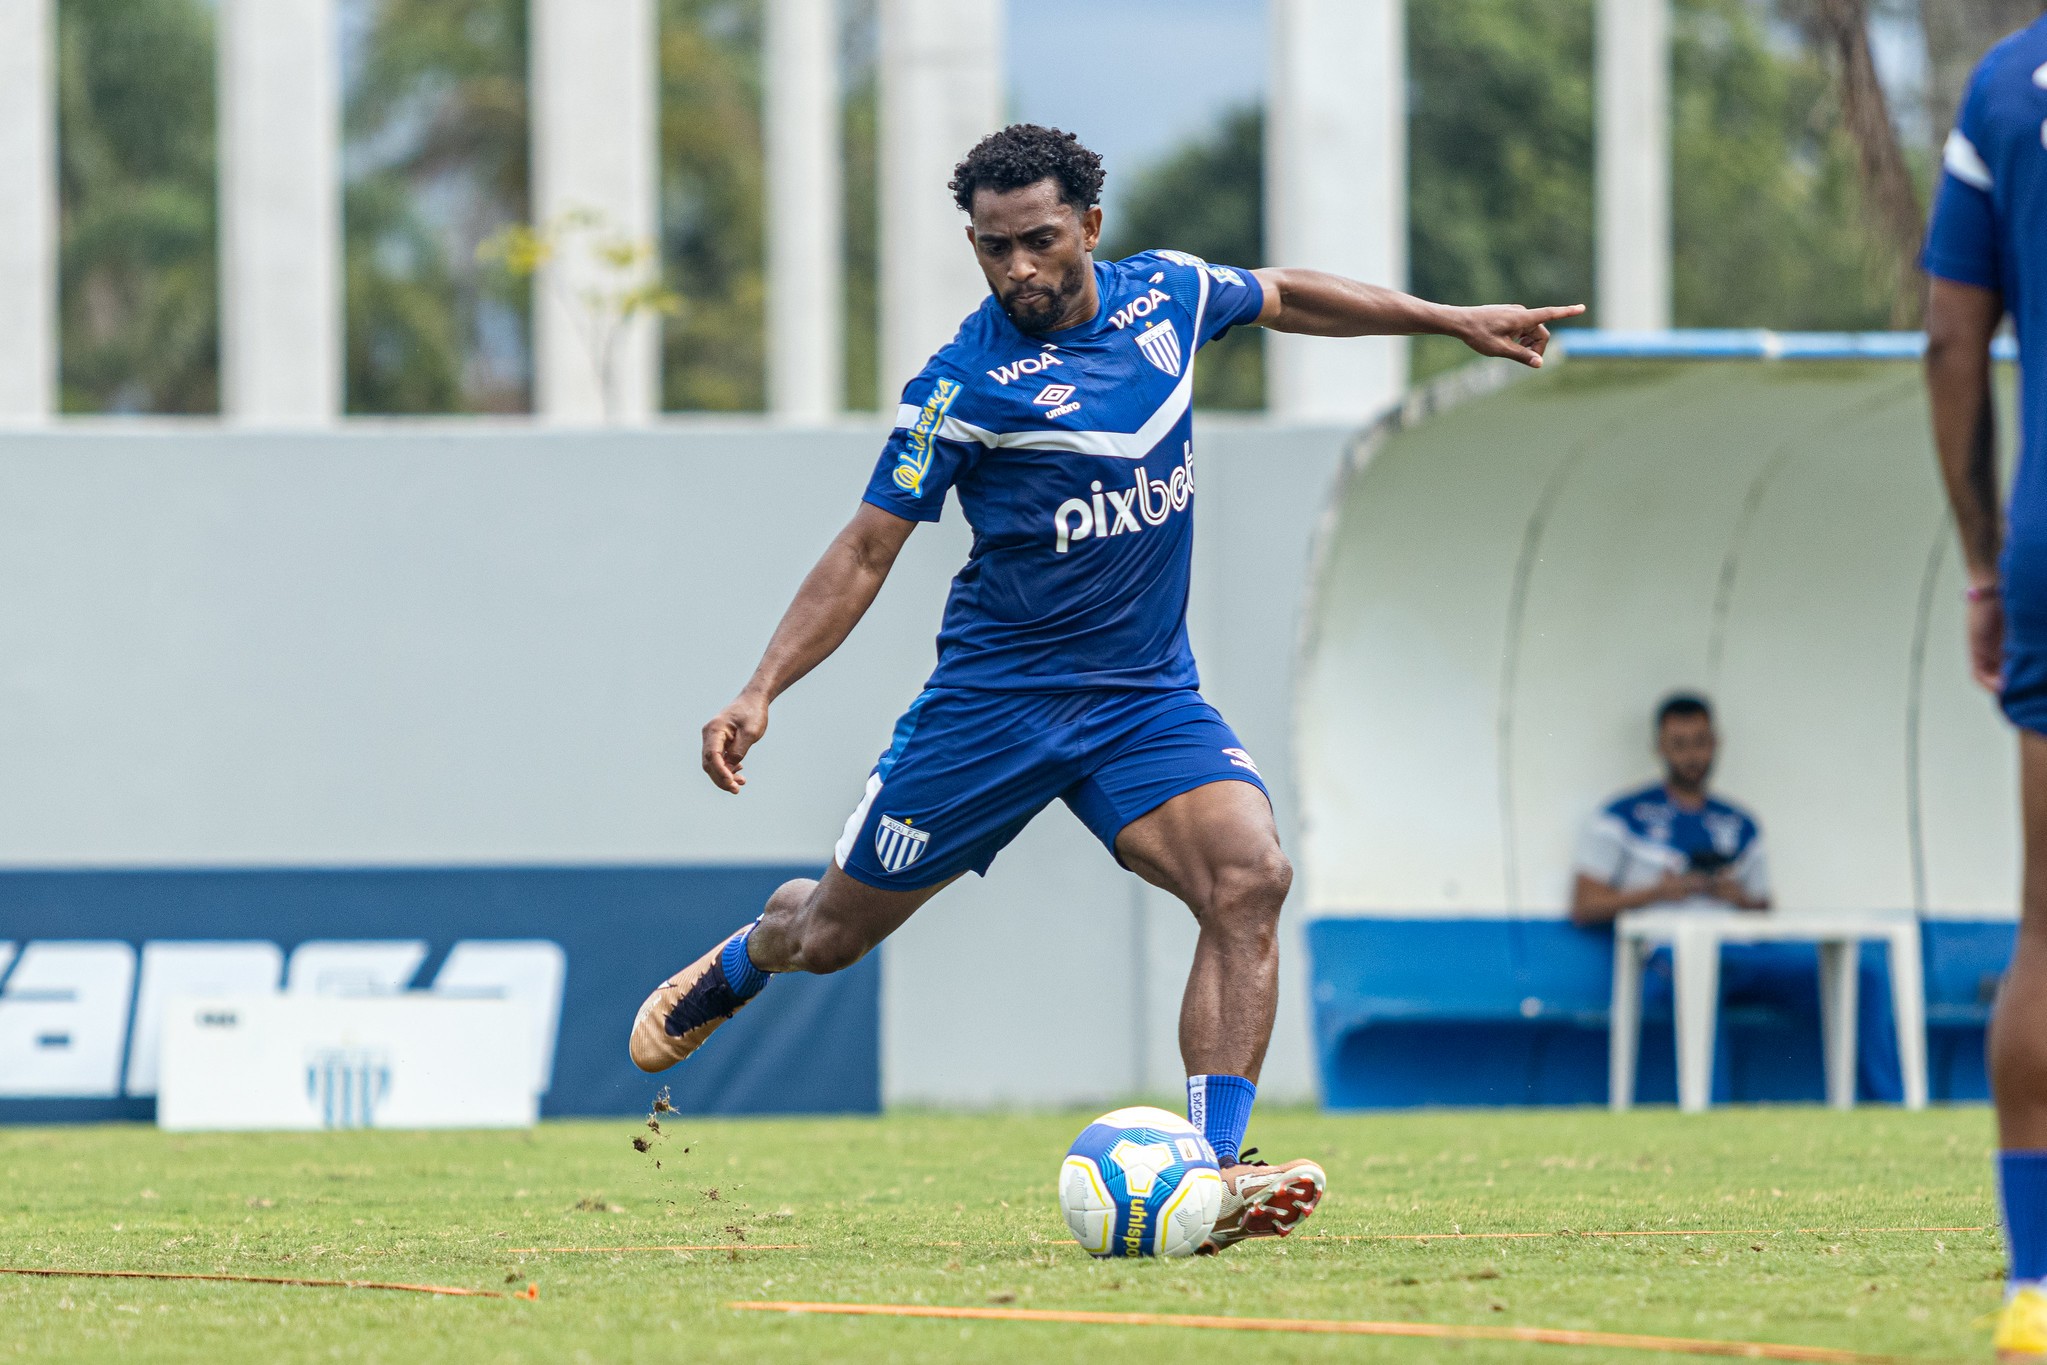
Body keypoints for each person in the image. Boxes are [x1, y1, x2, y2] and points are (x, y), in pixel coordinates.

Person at [628, 123, 1582, 1254]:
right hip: (993, 707)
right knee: (832, 934)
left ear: (1089, 223)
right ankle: (748, 956)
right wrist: (760, 689)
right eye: (992, 250)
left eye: (1038, 241)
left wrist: (1447, 321)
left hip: (1141, 698)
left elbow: (1284, 295)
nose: (1017, 270)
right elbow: (864, 551)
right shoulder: (958, 388)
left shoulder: (1169, 297)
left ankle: (1215, 1173)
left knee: (1250, 877)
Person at [1921, 13, 2047, 1357]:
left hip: (2045, 538)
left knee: (2044, 924)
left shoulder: (2005, 85)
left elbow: (1950, 346)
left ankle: (2032, 1290)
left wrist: (1981, 564)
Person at [1573, 694, 1901, 1103]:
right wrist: (1659, 891)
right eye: (1679, 743)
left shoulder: (1739, 822)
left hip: (1744, 954)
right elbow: (1584, 905)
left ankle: (1889, 1105)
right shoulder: (1622, 816)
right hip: (1668, 958)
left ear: (1716, 743)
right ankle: (1713, 1114)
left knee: (1863, 976)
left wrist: (1737, 896)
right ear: (1659, 747)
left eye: (1700, 741)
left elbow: (1764, 910)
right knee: (1699, 973)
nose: (1691, 755)